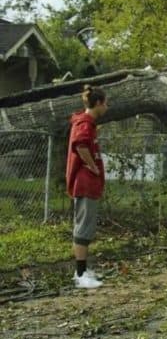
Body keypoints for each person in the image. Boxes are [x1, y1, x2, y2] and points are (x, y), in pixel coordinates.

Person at [66, 85, 109, 290]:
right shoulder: (84, 123)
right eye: (105, 103)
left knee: (86, 227)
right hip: (85, 183)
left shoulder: (89, 123)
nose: (107, 107)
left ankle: (83, 269)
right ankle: (81, 274)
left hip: (89, 183)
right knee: (83, 229)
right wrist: (93, 168)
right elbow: (80, 145)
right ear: (98, 103)